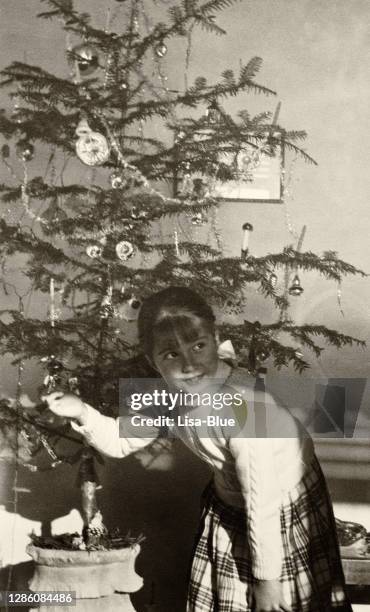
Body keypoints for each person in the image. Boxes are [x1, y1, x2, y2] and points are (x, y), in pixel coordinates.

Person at [43, 286, 352, 612]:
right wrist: (80, 411)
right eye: (171, 355)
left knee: (280, 601)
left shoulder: (244, 410)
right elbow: (121, 441)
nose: (189, 365)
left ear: (216, 338)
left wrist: (268, 583)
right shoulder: (169, 395)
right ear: (152, 360)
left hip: (280, 501)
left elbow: (263, 502)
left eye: (199, 346)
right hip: (231, 496)